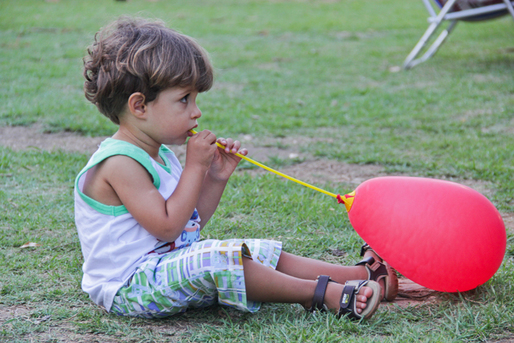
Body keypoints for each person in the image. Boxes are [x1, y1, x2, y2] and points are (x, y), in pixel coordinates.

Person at [75, 16, 398, 320]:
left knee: (252, 251)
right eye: (184, 99)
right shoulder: (120, 163)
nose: (196, 112)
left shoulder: (158, 154)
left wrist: (215, 176)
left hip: (166, 270)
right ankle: (322, 294)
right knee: (218, 257)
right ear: (140, 105)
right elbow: (167, 228)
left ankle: (363, 276)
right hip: (132, 288)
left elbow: (189, 225)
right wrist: (195, 167)